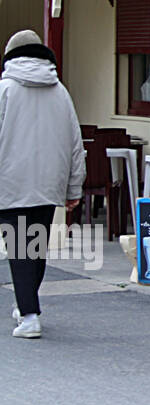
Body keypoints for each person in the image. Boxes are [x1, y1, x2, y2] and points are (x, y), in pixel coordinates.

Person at [0, 30, 85, 339]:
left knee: (20, 249)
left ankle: (29, 316)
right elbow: (75, 143)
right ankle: (26, 304)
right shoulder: (60, 91)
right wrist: (74, 188)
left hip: (11, 183)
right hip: (50, 183)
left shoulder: (4, 89)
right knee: (35, 247)